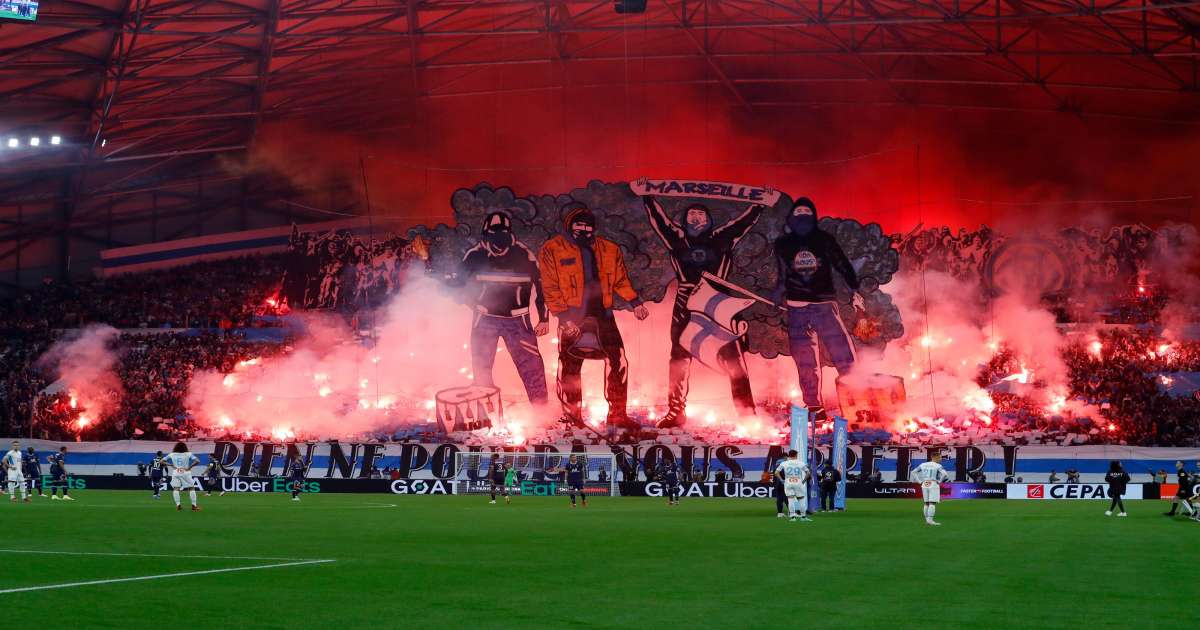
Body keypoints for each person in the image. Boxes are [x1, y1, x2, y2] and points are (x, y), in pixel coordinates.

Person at [640, 190, 765, 427]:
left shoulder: (721, 238)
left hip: (717, 300)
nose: (696, 218)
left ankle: (747, 414)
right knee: (679, 357)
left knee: (734, 359)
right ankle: (676, 412)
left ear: (709, 220)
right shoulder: (677, 238)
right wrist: (647, 198)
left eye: (701, 214)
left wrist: (759, 207)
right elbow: (660, 221)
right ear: (685, 219)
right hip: (686, 300)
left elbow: (742, 224)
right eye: (691, 215)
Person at [540, 204, 649, 430]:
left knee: (618, 361)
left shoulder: (609, 249)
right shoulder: (553, 249)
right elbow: (549, 287)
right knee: (570, 365)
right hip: (571, 315)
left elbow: (620, 280)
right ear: (569, 226)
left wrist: (635, 302)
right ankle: (572, 418)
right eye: (578, 224)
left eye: (588, 225)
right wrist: (563, 317)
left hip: (603, 315)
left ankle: (618, 415)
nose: (583, 228)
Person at [772, 197, 864, 421]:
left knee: (843, 354)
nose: (802, 215)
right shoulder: (783, 244)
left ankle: (857, 402)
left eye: (807, 211)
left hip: (823, 304)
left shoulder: (824, 239)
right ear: (791, 218)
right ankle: (814, 406)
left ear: (813, 216)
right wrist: (779, 292)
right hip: (797, 308)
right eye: (798, 212)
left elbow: (841, 263)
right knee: (805, 361)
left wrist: (855, 288)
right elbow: (783, 273)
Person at [455, 211, 550, 405]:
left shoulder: (524, 255)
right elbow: (458, 285)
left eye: (503, 233)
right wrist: (474, 304)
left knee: (531, 367)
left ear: (510, 234)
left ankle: (542, 413)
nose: (498, 240)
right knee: (481, 367)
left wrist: (544, 318)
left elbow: (543, 287)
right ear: (485, 235)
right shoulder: (475, 255)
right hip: (484, 319)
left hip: (518, 321)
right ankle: (485, 411)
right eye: (493, 234)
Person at [910, 452, 951, 526]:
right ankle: (930, 520)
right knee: (932, 503)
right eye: (940, 457)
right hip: (933, 483)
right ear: (936, 457)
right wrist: (940, 481)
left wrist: (919, 481)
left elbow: (913, 472)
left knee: (926, 503)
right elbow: (945, 474)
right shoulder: (938, 465)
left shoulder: (923, 464)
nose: (941, 459)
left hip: (925, 483)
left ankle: (927, 520)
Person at [774, 449, 811, 522]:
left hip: (788, 482)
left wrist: (781, 480)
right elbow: (808, 473)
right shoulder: (801, 463)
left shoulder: (784, 463)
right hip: (798, 482)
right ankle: (803, 517)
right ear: (796, 455)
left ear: (789, 455)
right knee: (801, 500)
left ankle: (793, 517)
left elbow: (776, 472)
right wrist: (803, 481)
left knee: (790, 500)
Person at [163, 442, 200, 511]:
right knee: (191, 488)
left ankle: (178, 505)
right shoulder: (189, 454)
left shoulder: (171, 454)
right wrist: (190, 467)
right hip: (185, 472)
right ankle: (194, 506)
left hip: (176, 472)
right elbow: (197, 461)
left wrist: (171, 465)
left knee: (176, 489)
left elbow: (162, 461)